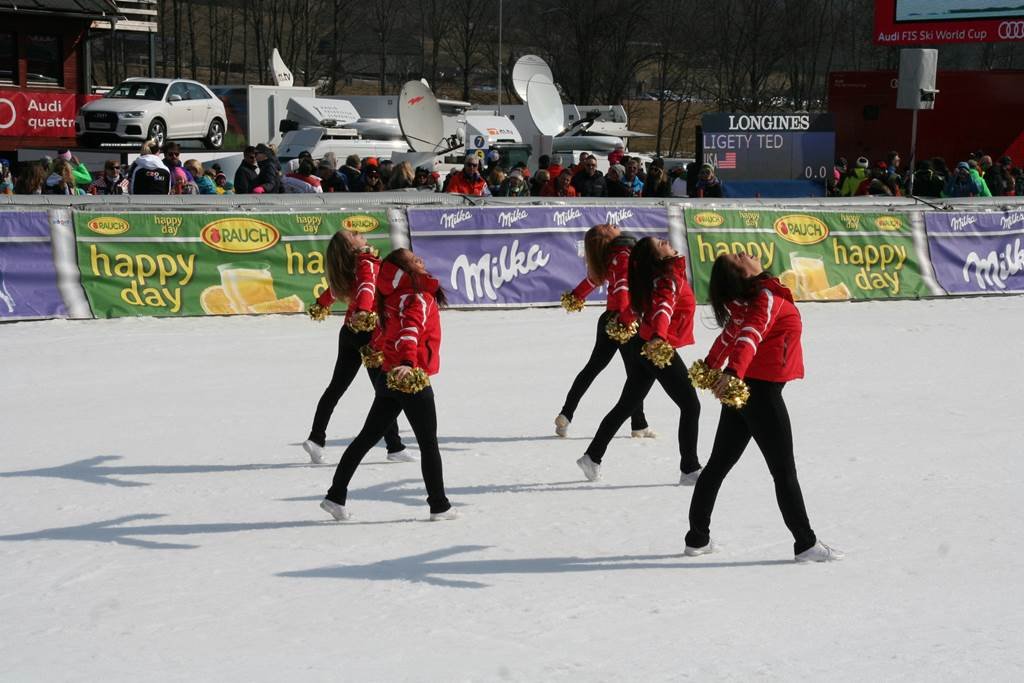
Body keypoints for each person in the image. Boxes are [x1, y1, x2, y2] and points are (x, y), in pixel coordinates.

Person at [683, 252, 843, 562]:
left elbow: (731, 335)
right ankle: (806, 543)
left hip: (745, 391)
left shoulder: (752, 299)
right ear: (743, 274)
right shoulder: (764, 298)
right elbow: (748, 337)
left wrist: (714, 366)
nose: (748, 253)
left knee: (717, 466)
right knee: (783, 471)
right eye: (740, 257)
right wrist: (730, 373)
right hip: (760, 393)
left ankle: (697, 538)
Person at [321, 247, 456, 522]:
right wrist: (407, 362)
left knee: (366, 438)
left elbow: (384, 333)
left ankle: (335, 495)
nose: (420, 259)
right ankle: (439, 505)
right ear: (403, 270)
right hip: (410, 379)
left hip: (388, 377)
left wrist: (382, 353)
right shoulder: (415, 297)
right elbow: (410, 331)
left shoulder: (394, 297)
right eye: (412, 260)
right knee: (428, 444)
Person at [576, 236, 702, 484]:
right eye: (660, 243)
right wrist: (658, 336)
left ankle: (592, 456)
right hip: (656, 348)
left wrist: (627, 323)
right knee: (691, 405)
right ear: (658, 257)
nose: (665, 241)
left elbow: (637, 306)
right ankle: (690, 469)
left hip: (644, 345)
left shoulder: (659, 277)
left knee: (626, 405)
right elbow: (663, 309)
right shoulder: (667, 279)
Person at [304, 230, 411, 465]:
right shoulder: (366, 262)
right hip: (369, 334)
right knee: (385, 391)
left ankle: (316, 438)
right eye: (354, 234)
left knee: (336, 388)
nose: (360, 233)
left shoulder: (347, 266)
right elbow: (367, 286)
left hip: (349, 334)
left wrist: (321, 305)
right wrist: (363, 311)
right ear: (351, 246)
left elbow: (334, 291)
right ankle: (394, 446)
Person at [555, 224, 652, 440]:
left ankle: (566, 414)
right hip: (625, 320)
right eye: (608, 227)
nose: (614, 225)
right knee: (636, 375)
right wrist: (627, 319)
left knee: (592, 369)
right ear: (605, 238)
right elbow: (624, 288)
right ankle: (639, 425)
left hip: (608, 319)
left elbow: (591, 281)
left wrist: (575, 296)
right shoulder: (624, 255)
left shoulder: (607, 258)